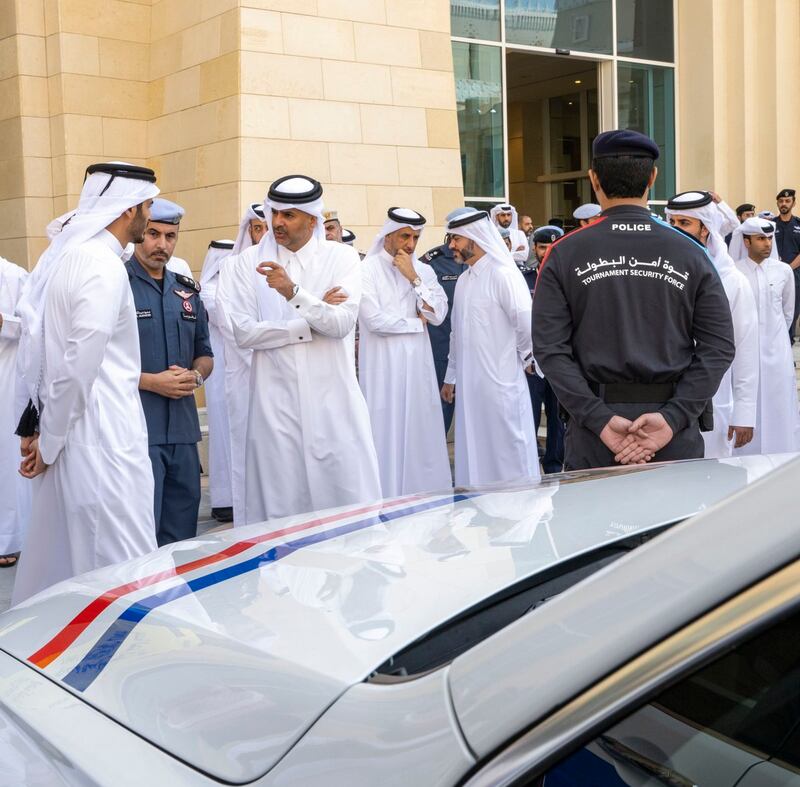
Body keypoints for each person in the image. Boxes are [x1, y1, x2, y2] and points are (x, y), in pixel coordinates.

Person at [532, 130, 735, 470]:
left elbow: (550, 350)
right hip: (670, 432)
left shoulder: (563, 253)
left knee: (592, 523)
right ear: (652, 178)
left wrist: (599, 420)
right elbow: (719, 347)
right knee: (677, 525)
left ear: (594, 180)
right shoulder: (692, 253)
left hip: (594, 432)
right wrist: (673, 417)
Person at [13, 162, 160, 604]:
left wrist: (42, 431)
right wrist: (50, 440)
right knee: (123, 570)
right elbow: (78, 363)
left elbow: (41, 355)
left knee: (66, 562)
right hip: (100, 438)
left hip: (75, 434)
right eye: (148, 207)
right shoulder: (100, 265)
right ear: (129, 209)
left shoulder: (71, 258)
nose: (149, 217)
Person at [217, 175, 381, 523]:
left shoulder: (343, 258)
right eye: (274, 212)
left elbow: (339, 325)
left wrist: (293, 293)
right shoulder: (245, 265)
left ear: (312, 220)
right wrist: (308, 322)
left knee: (348, 509)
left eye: (289, 215)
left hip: (333, 404)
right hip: (274, 408)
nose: (277, 222)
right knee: (281, 512)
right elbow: (243, 332)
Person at [126, 199, 213, 545]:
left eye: (170, 236)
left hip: (182, 431)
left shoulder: (187, 291)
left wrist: (197, 376)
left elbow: (205, 352)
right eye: (153, 234)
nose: (162, 245)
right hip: (136, 430)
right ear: (138, 235)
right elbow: (98, 362)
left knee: (182, 537)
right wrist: (151, 382)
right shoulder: (118, 285)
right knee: (141, 536)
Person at [441, 209, 540, 487]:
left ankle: (517, 514)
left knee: (509, 449)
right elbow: (455, 333)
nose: (451, 246)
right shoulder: (463, 280)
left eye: (456, 239)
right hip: (471, 387)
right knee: (475, 447)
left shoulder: (503, 274)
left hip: (501, 383)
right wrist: (451, 376)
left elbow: (525, 321)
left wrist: (528, 358)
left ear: (475, 237)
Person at [358, 208, 451, 497]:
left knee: (419, 431)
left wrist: (414, 279)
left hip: (417, 369)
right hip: (381, 369)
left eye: (416, 237)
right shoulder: (367, 270)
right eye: (405, 236)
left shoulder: (423, 270)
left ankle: (421, 496)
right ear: (388, 235)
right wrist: (414, 323)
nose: (411, 244)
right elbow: (374, 321)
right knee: (382, 431)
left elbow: (438, 315)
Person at [665, 191, 758, 458]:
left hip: (715, 403)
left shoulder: (732, 281)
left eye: (685, 223)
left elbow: (745, 347)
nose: (676, 230)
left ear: (705, 229)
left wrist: (744, 412)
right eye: (672, 223)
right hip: (664, 406)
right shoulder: (659, 273)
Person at [731, 217, 800, 454]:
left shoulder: (783, 271)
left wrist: (774, 339)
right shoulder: (734, 272)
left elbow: (787, 313)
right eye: (761, 238)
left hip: (777, 354)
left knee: (779, 405)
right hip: (743, 354)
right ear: (746, 241)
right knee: (749, 406)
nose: (767, 244)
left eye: (769, 238)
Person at [216, 203, 266, 524]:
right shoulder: (232, 268)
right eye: (258, 228)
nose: (264, 236)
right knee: (249, 455)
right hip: (246, 376)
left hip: (285, 379)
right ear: (249, 231)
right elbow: (230, 325)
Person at [420, 208, 470, 433]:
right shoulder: (433, 260)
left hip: (476, 350)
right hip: (441, 348)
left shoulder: (483, 260)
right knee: (442, 410)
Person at [199, 239, 236, 523]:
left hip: (242, 367)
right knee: (223, 431)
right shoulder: (207, 291)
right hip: (220, 369)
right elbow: (228, 318)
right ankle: (224, 497)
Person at [527, 226, 565, 474]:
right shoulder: (523, 278)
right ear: (535, 248)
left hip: (560, 359)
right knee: (528, 416)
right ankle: (528, 463)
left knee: (558, 419)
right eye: (543, 247)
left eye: (552, 247)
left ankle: (554, 466)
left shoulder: (568, 275)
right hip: (530, 361)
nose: (547, 252)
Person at [0, 257, 29, 568]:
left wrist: (3, 322)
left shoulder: (13, 275)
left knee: (6, 461)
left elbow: (33, 324)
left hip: (5, 377)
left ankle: (6, 539)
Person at [774, 188, 800, 340]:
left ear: (793, 203)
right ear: (777, 203)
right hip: (773, 277)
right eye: (781, 201)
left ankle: (787, 351)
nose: (784, 203)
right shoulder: (770, 225)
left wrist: (788, 268)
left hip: (795, 277)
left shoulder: (799, 224)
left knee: (791, 313)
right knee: (775, 314)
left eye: (787, 201)